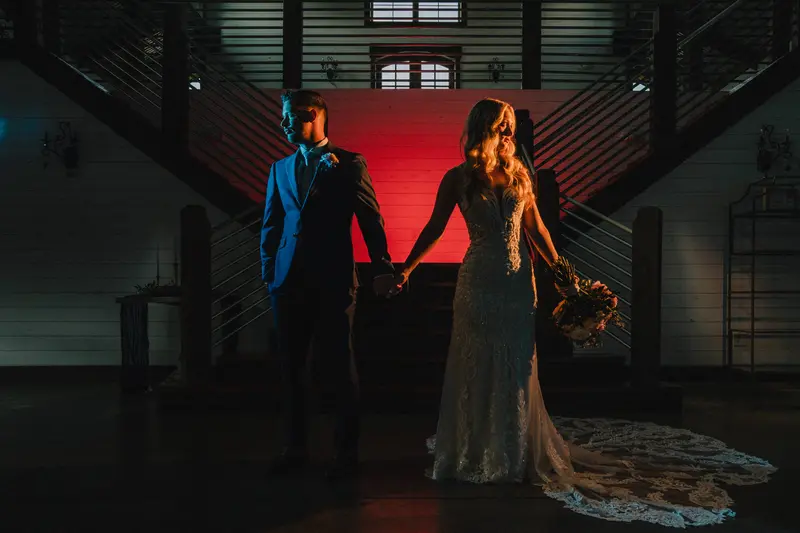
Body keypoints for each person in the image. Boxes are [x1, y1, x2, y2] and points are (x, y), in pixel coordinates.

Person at [391, 98, 776, 527]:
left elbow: (536, 228)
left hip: (519, 282)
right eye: (501, 126)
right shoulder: (459, 178)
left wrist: (563, 275)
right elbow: (435, 226)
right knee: (477, 363)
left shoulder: (520, 174)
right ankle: (473, 452)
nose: (508, 134)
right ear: (482, 128)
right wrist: (406, 269)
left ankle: (514, 451)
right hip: (479, 281)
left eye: (510, 127)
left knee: (518, 366)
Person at [261, 89, 397, 480]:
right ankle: (295, 448)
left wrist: (382, 266)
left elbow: (371, 220)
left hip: (334, 279)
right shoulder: (280, 168)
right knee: (291, 368)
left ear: (311, 115)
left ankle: (345, 453)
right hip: (286, 282)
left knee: (340, 366)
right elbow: (271, 224)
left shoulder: (349, 164)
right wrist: (270, 270)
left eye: (288, 116)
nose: (283, 124)